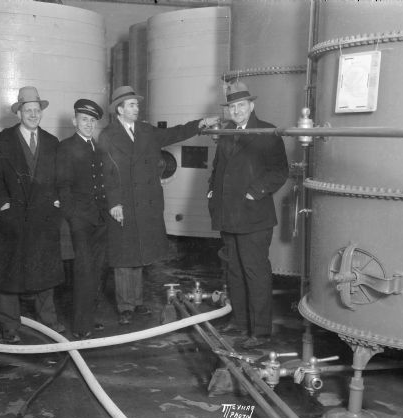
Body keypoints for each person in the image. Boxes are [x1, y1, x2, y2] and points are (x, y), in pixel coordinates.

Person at [98, 85, 219, 325]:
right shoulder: (108, 136)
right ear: (119, 110)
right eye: (131, 105)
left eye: (137, 104)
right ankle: (125, 306)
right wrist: (114, 203)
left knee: (141, 252)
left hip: (146, 203)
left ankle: (137, 301)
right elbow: (107, 174)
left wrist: (201, 123)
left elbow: (174, 133)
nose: (136, 108)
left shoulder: (145, 130)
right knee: (124, 256)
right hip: (123, 202)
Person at [207, 80, 288, 349]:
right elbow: (219, 168)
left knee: (255, 272)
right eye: (232, 106)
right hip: (228, 215)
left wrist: (256, 191)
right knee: (234, 271)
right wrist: (211, 190)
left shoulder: (267, 131)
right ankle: (239, 322)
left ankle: (261, 331)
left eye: (241, 105)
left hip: (254, 216)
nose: (237, 110)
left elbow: (279, 171)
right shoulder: (227, 132)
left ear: (251, 105)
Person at [0, 86, 66, 344]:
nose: (33, 114)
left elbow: (60, 177)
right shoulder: (1, 141)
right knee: (10, 272)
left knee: (45, 269)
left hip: (44, 217)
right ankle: (9, 325)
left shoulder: (51, 142)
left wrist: (57, 200)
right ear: (19, 113)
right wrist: (2, 203)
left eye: (37, 110)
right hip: (14, 216)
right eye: (28, 110)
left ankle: (49, 321)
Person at [56, 99, 112, 339]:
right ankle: (80, 325)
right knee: (84, 269)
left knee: (98, 269)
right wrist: (72, 216)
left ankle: (90, 316)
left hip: (100, 218)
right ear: (74, 121)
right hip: (81, 220)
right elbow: (63, 186)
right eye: (84, 120)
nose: (89, 124)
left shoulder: (97, 147)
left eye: (92, 121)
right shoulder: (66, 147)